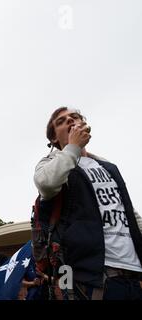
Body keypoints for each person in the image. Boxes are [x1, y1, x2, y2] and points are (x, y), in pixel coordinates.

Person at [33, 107, 142, 300]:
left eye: (74, 117)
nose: (69, 120)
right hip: (91, 280)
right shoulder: (50, 163)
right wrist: (72, 148)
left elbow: (129, 214)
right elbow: (46, 183)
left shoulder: (107, 166)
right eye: (61, 121)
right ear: (53, 139)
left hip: (133, 273)